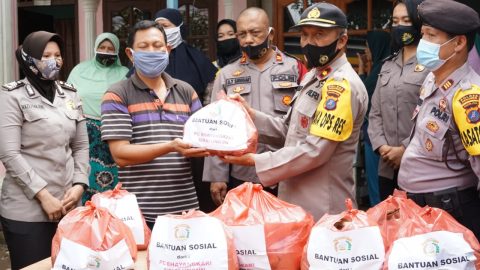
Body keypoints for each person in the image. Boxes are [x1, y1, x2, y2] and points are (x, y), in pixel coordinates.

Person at [220, 3, 368, 220]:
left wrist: (257, 161)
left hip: (323, 206)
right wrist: (249, 114)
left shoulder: (341, 86)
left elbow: (316, 150)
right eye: (305, 35)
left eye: (319, 35)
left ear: (342, 40)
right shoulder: (313, 76)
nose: (309, 43)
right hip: (295, 200)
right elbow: (289, 131)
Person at [101, 20, 209, 229]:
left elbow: (203, 139)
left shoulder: (186, 91)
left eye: (158, 46)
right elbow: (121, 154)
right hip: (138, 213)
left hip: (186, 210)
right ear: (131, 54)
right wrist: (170, 147)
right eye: (143, 47)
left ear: (168, 50)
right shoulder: (117, 94)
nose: (152, 51)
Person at [0, 31, 89, 269]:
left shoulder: (70, 94)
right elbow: (9, 154)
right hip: (27, 211)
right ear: (29, 59)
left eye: (57, 55)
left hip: (69, 205)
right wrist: (43, 195)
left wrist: (80, 184)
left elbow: (80, 145)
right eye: (46, 55)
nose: (54, 61)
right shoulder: (11, 96)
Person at [203, 7, 308, 206]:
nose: (248, 40)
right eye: (242, 34)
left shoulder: (295, 69)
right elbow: (215, 127)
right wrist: (217, 176)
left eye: (255, 33)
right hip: (243, 173)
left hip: (285, 170)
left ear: (271, 34)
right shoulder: (226, 74)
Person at [397, 0, 480, 238]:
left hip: (450, 210)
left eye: (431, 36)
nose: (423, 43)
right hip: (421, 208)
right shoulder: (433, 79)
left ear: (459, 43)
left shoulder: (469, 96)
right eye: (422, 34)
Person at [155, 9, 219, 212]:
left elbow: (210, 100)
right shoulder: (151, 60)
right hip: (158, 140)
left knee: (197, 196)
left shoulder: (197, 59)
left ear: (179, 27)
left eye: (165, 26)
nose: (161, 31)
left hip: (194, 140)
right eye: (158, 27)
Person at [368, 0, 428, 201]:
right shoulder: (388, 65)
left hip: (418, 166)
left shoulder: (431, 65)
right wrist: (382, 147)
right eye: (395, 21)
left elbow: (430, 115)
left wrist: (404, 149)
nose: (400, 26)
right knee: (390, 224)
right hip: (386, 166)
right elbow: (375, 113)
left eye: (406, 20)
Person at [68, 32, 129, 203]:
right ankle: (88, 216)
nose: (106, 51)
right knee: (86, 173)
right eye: (102, 47)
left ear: (117, 51)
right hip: (86, 133)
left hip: (116, 131)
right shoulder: (79, 70)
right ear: (95, 48)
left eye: (111, 49)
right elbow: (68, 98)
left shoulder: (125, 73)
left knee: (116, 180)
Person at [357, 30, 391, 206]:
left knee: (377, 184)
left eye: (368, 48)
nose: (366, 52)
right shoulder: (382, 67)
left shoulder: (383, 69)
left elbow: (364, 96)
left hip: (376, 138)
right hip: (379, 137)